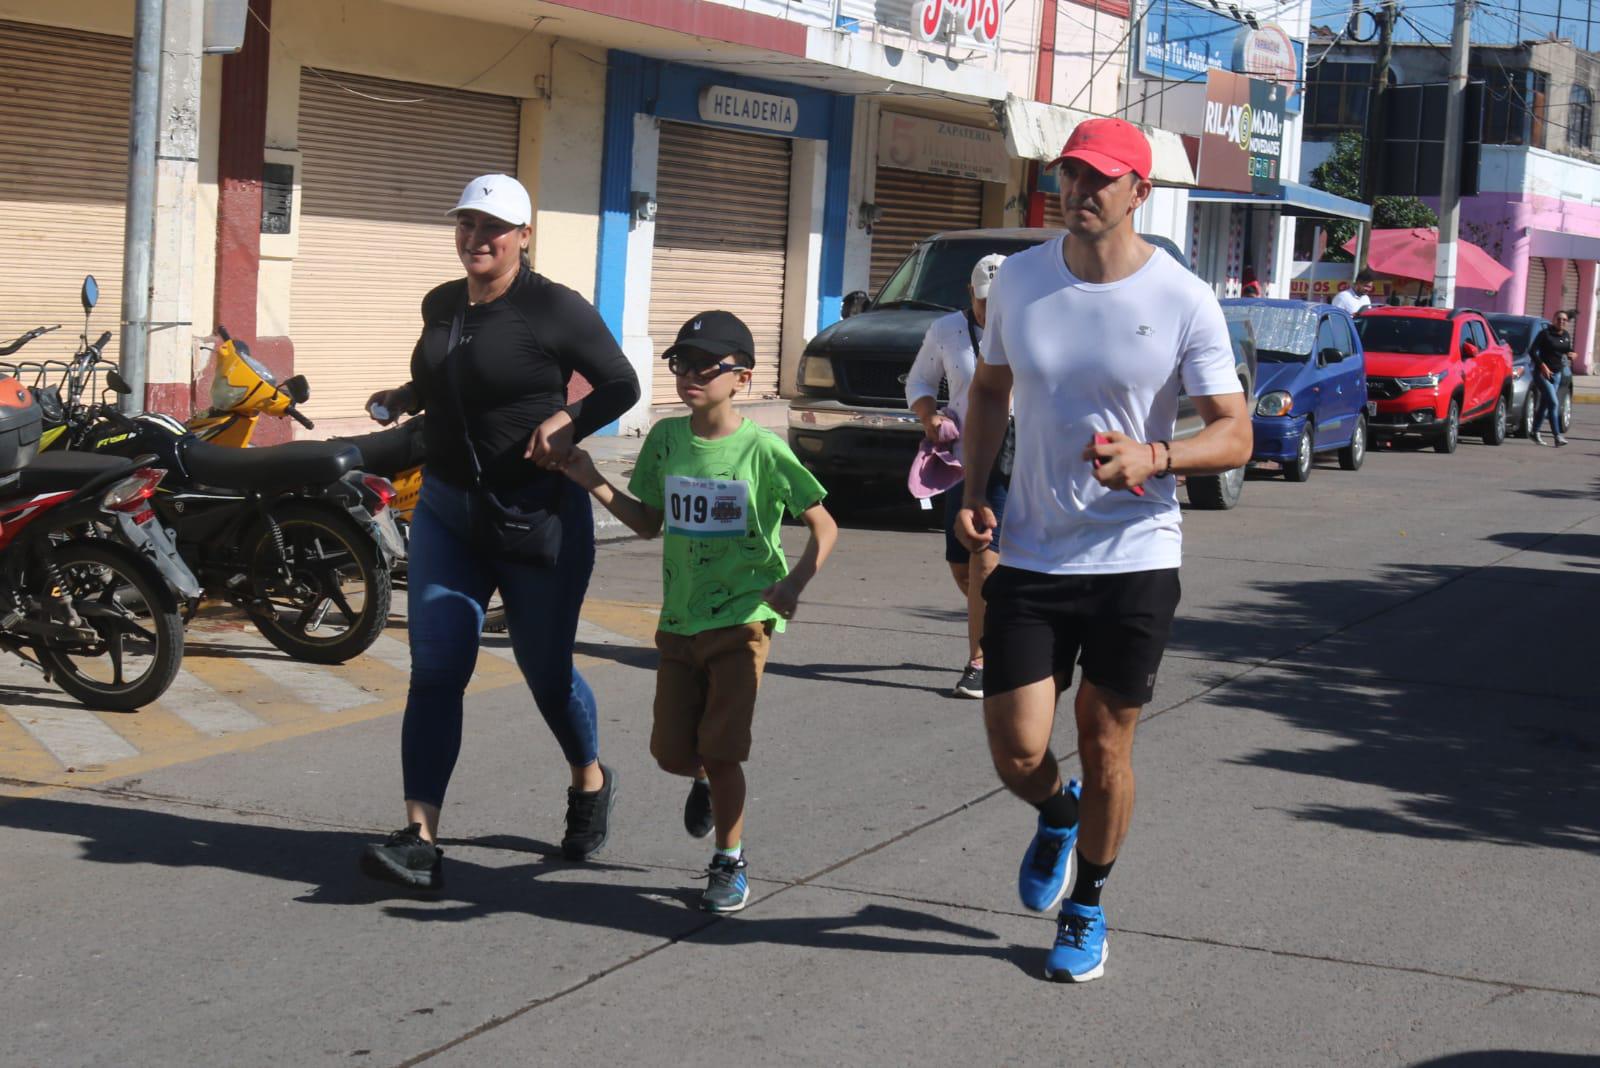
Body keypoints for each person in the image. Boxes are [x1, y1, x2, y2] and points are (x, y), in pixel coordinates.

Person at [956, 118, 1252, 982]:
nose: (1080, 191)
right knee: (1016, 750)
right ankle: (1057, 813)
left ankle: (1087, 906)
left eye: (1099, 178)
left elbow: (1234, 436)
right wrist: (973, 493)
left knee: (1106, 741)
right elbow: (989, 389)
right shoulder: (1019, 279)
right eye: (1071, 175)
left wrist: (1155, 455)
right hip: (1035, 554)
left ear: (1139, 192)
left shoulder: (1182, 298)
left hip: (1136, 554)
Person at [360, 174, 641, 890]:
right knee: (436, 672)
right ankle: (420, 837)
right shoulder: (442, 303)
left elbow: (621, 383)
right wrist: (404, 396)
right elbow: (450, 375)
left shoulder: (555, 308)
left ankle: (589, 778)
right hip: (449, 513)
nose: (477, 239)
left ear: (523, 236)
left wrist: (568, 419)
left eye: (494, 228)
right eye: (467, 225)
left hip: (536, 515)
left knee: (544, 671)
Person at [560, 311, 837, 913]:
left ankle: (729, 862)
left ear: (742, 376)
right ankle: (704, 781)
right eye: (681, 362)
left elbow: (823, 524)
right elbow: (647, 522)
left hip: (744, 619)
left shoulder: (762, 449)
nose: (690, 374)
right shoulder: (666, 439)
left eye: (706, 364)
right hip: (680, 620)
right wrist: (590, 479)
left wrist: (794, 584)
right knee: (671, 753)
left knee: (723, 746)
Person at [905, 253, 1010, 699]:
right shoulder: (947, 330)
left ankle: (981, 663)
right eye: (985, 299)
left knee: (984, 555)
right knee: (962, 566)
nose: (992, 308)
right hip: (961, 461)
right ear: (972, 294)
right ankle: (1003, 629)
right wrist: (929, 418)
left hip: (1015, 455)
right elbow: (919, 382)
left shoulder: (1034, 328)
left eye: (1002, 298)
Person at [1530, 310, 1573, 446]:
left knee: (1545, 404)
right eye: (1559, 319)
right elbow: (1532, 351)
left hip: (1557, 374)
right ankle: (1557, 436)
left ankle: (1535, 432)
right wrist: (1543, 366)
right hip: (1542, 374)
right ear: (1554, 320)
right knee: (1554, 403)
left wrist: (1572, 354)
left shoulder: (1566, 335)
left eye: (1564, 320)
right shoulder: (1545, 334)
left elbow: (1566, 349)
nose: (1561, 322)